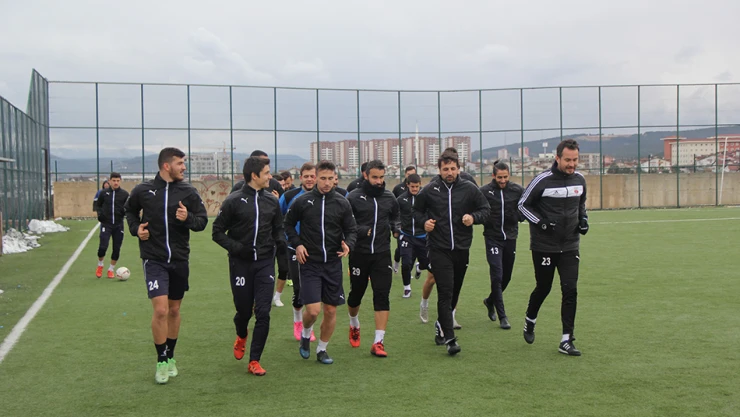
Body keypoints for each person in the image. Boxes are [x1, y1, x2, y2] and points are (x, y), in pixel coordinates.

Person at [124, 147, 209, 384]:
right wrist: (136, 229)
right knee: (160, 310)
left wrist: (187, 218)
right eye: (180, 163)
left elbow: (202, 221)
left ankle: (170, 355)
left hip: (179, 260)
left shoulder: (188, 191)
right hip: (153, 259)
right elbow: (129, 211)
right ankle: (161, 360)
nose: (184, 167)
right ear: (166, 165)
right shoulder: (143, 190)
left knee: (174, 310)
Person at [212, 156, 284, 376]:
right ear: (254, 175)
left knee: (263, 312)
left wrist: (284, 248)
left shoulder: (272, 201)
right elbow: (217, 232)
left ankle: (254, 360)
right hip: (240, 264)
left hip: (265, 263)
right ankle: (241, 334)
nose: (270, 176)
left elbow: (278, 231)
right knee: (244, 311)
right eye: (267, 173)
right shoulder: (233, 200)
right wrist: (238, 248)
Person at [413, 149, 490, 355]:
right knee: (445, 291)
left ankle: (441, 324)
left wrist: (473, 218)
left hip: (462, 248)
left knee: (455, 291)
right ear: (439, 170)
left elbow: (485, 209)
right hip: (439, 248)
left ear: (459, 169)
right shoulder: (429, 190)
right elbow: (416, 211)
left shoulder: (469, 188)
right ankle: (450, 339)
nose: (449, 172)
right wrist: (424, 223)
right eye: (446, 169)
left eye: (453, 169)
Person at [518, 139, 588, 356]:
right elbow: (522, 205)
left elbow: (581, 205)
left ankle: (567, 339)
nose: (572, 164)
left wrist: (583, 220)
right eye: (567, 160)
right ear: (557, 158)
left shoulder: (580, 180)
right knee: (544, 287)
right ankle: (530, 319)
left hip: (570, 246)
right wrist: (541, 223)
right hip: (544, 246)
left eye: (575, 160)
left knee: (570, 290)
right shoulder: (542, 180)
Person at [284, 161, 357, 364]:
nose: (326, 183)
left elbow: (351, 229)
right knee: (313, 311)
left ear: (335, 179)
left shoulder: (342, 203)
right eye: (322, 178)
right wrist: (298, 244)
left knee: (331, 310)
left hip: (333, 263)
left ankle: (322, 349)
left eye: (330, 179)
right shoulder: (302, 201)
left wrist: (348, 244)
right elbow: (287, 225)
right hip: (310, 263)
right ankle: (306, 333)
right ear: (316, 178)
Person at [346, 160, 400, 357]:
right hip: (359, 254)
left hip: (382, 253)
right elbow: (346, 223)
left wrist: (396, 229)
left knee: (382, 295)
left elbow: (396, 217)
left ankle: (378, 342)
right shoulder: (353, 197)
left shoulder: (389, 197)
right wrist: (362, 230)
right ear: (366, 176)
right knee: (356, 295)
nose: (379, 181)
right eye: (375, 177)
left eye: (381, 177)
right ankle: (354, 323)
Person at [479, 161, 524, 330]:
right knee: (497, 276)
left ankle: (490, 301)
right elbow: (476, 208)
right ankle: (502, 316)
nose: (503, 180)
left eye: (505, 177)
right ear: (493, 176)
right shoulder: (484, 191)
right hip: (493, 238)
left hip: (510, 238)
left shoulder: (517, 190)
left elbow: (527, 206)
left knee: (506, 277)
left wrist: (518, 216)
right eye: (500, 177)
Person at [278, 163, 318, 340]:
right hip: (294, 248)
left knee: (315, 292)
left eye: (312, 176)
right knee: (299, 288)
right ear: (300, 178)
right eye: (306, 176)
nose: (309, 179)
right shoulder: (289, 196)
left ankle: (309, 326)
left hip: (316, 250)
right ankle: (297, 322)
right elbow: (278, 217)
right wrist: (284, 238)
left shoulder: (323, 196)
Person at [396, 173, 427, 298]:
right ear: (407, 185)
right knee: (406, 263)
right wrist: (397, 228)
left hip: (422, 236)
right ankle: (407, 288)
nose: (414, 189)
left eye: (417, 186)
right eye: (412, 186)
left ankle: (419, 267)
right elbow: (395, 216)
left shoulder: (425, 198)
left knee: (426, 263)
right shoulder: (401, 199)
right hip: (407, 236)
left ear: (420, 185)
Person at [94, 173, 129, 279]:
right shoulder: (103, 193)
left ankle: (111, 269)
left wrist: (125, 213)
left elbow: (129, 207)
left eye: (118, 180)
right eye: (114, 180)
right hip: (106, 224)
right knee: (102, 247)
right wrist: (100, 215)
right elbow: (98, 205)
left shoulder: (124, 194)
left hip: (118, 225)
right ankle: (100, 265)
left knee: (116, 248)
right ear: (109, 181)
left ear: (120, 181)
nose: (116, 183)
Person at [392, 165, 417, 272]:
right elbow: (393, 206)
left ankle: (409, 270)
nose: (410, 176)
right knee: (400, 248)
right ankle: (396, 262)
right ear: (405, 175)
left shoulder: (419, 191)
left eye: (413, 174)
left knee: (414, 250)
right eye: (409, 174)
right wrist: (395, 227)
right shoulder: (398, 188)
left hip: (415, 226)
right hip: (402, 226)